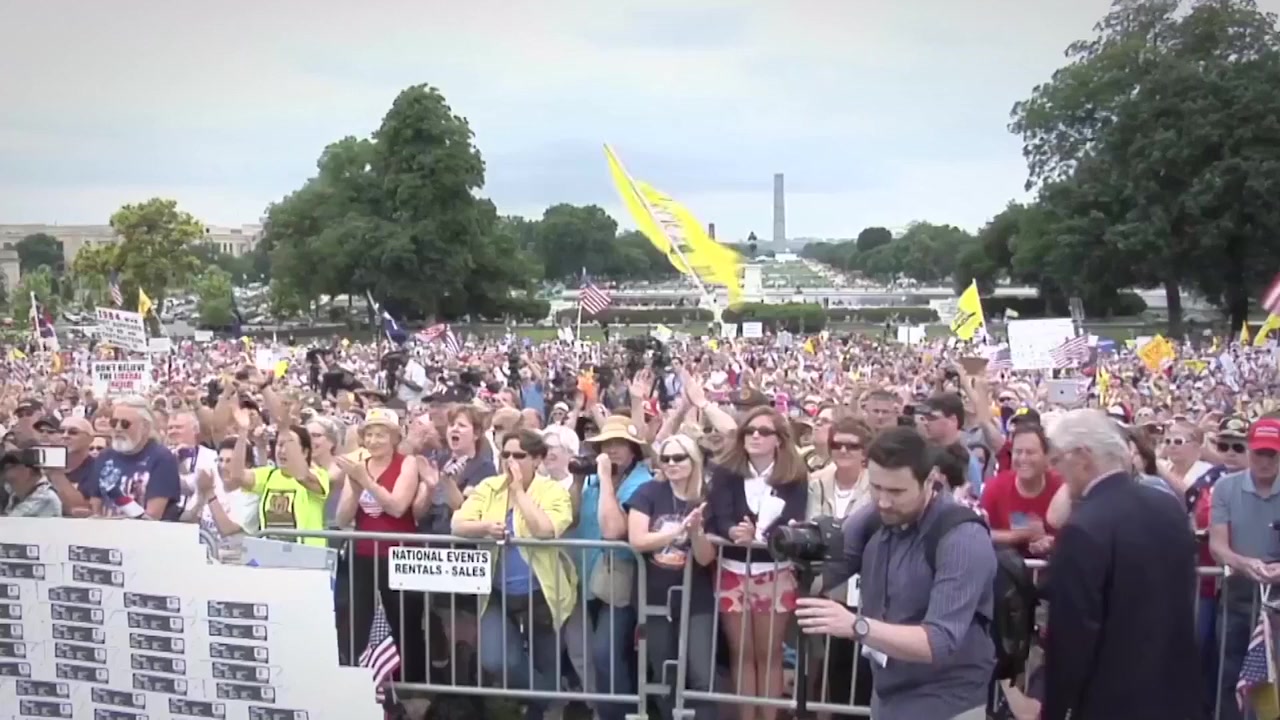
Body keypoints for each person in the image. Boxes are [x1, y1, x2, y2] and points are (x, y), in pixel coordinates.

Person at [797, 427, 996, 720]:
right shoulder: (874, 517)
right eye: (876, 487)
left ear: (930, 480)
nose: (883, 501)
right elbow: (823, 575)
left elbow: (938, 641)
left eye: (897, 492)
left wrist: (857, 626)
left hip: (949, 699)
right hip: (888, 693)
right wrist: (800, 551)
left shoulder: (962, 537)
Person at [1040, 409, 1199, 720]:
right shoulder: (1167, 507)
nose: (1055, 471)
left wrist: (1056, 710)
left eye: (1057, 460)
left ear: (1083, 456)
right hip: (1176, 696)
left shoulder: (1083, 527)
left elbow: (1072, 636)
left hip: (1110, 701)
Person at [1209, 415, 1280, 720]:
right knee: (1230, 673)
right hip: (1237, 596)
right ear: (1249, 451)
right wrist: (1243, 563)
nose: (1265, 461)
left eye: (1272, 454)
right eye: (1259, 453)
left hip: (1277, 598)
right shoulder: (1225, 487)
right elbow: (1218, 545)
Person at [85, 396, 183, 520]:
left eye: (125, 424)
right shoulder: (105, 456)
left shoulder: (162, 458)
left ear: (145, 427)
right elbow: (95, 506)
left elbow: (152, 516)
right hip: (105, 530)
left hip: (145, 531)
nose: (118, 429)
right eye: (114, 423)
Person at [1, 447, 62, 517]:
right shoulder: (17, 493)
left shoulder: (45, 497)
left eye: (11, 467)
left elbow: (12, 521)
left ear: (29, 470)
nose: (7, 474)